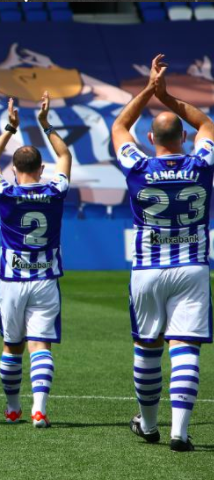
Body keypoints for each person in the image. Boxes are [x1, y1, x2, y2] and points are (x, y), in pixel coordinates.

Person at [111, 55, 212, 452]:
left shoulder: (139, 166)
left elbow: (120, 126)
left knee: (147, 345)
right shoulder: (202, 163)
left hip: (148, 269)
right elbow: (206, 123)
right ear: (183, 139)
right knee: (184, 346)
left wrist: (148, 92)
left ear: (150, 140)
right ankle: (180, 432)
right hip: (192, 267)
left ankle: (149, 425)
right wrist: (167, 97)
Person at [0, 93, 72, 429]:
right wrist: (45, 124)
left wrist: (9, 127)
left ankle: (13, 407)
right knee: (41, 345)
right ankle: (40, 410)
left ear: (15, 169)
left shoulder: (5, 191)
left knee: (11, 345)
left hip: (12, 280)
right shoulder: (55, 190)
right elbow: (65, 154)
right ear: (41, 168)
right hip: (46, 279)